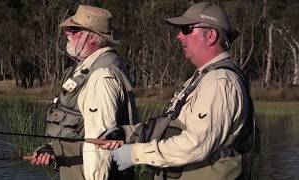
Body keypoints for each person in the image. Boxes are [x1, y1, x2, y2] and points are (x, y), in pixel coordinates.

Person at [100, 2, 255, 180]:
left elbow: (196, 145)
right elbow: (173, 125)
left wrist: (135, 153)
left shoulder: (219, 81)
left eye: (187, 29)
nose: (179, 37)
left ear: (211, 35)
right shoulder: (203, 77)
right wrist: (125, 133)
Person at [30, 5, 138, 180]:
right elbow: (80, 130)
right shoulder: (84, 69)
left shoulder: (102, 75)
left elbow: (100, 146)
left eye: (74, 30)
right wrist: (53, 149)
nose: (67, 33)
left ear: (92, 37)